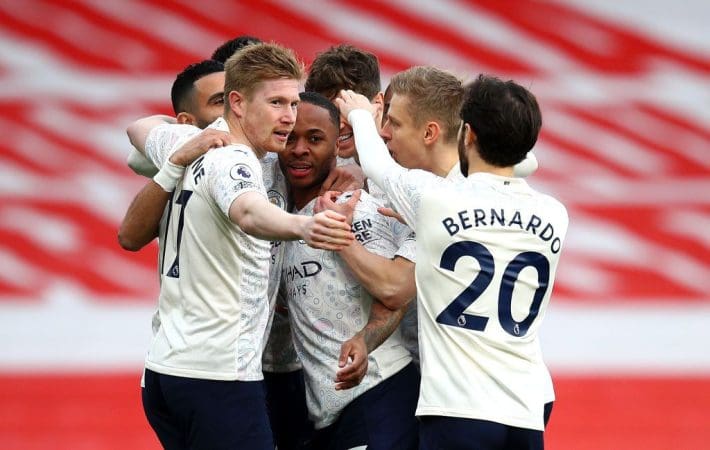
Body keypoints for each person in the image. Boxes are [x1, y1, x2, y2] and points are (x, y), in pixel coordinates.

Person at [122, 42, 355, 450]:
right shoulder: (235, 159)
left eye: (293, 103)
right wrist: (304, 226)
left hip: (166, 370)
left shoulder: (189, 140)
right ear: (238, 103)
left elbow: (139, 129)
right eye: (276, 103)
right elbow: (248, 211)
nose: (289, 116)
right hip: (218, 376)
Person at [337, 73, 568, 449]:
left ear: (468, 134)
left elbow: (378, 166)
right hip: (528, 405)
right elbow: (519, 169)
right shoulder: (554, 213)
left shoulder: (434, 201)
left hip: (459, 407)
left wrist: (361, 114)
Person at [279, 91, 419, 450]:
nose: (299, 149)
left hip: (378, 394)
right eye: (290, 138)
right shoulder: (281, 222)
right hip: (331, 412)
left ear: (335, 146)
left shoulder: (357, 209)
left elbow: (394, 294)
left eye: (314, 139)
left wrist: (366, 340)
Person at [304, 44, 383, 162]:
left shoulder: (408, 160)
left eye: (348, 109)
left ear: (378, 102)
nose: (339, 125)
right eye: (331, 113)